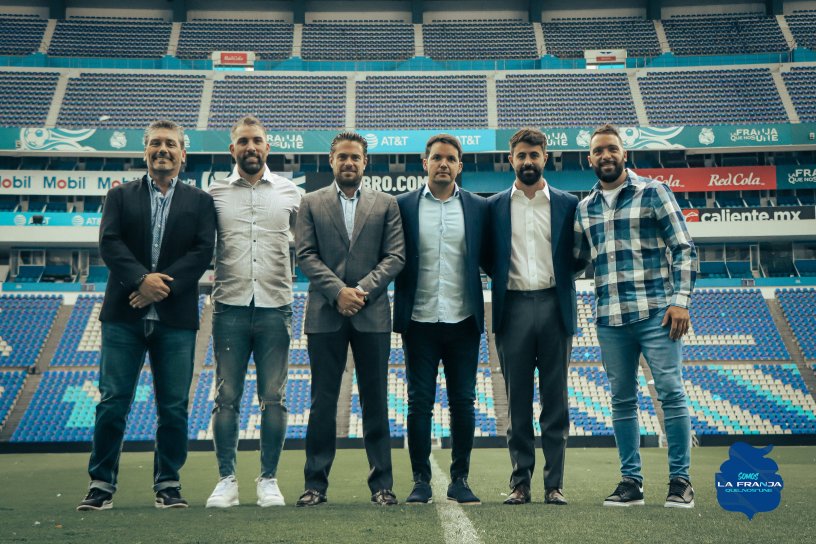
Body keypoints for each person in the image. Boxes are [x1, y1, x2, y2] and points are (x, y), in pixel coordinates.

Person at [77, 120, 216, 511]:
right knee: (112, 403)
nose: (163, 150)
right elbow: (109, 243)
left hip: (175, 318)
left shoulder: (200, 202)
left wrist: (160, 287)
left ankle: (168, 484)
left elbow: (202, 252)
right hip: (123, 316)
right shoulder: (120, 196)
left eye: (170, 144)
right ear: (145, 151)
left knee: (173, 407)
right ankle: (101, 484)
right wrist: (141, 280)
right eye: (155, 143)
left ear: (183, 153)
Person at [574, 124, 697, 508]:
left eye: (612, 148)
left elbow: (683, 247)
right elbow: (577, 261)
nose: (606, 155)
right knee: (622, 400)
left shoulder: (653, 191)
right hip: (610, 318)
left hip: (657, 313)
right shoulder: (585, 208)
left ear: (623, 154)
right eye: (599, 151)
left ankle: (680, 482)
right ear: (590, 159)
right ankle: (631, 482)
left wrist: (680, 301)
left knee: (671, 393)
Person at [294, 131, 405, 506]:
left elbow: (395, 256)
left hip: (372, 314)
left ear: (365, 162)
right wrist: (338, 291)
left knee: (375, 402)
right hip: (325, 313)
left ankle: (382, 486)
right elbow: (305, 255)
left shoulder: (386, 204)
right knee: (322, 403)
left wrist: (360, 291)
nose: (348, 162)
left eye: (355, 157)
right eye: (342, 156)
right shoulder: (310, 202)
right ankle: (315, 485)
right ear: (331, 161)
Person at [205, 116, 301, 508]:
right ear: (233, 149)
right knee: (226, 397)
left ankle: (268, 480)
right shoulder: (214, 194)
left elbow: (309, 245)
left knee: (274, 398)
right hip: (229, 306)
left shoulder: (290, 193)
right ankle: (226, 480)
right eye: (243, 141)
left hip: (276, 307)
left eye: (257, 140)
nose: (251, 147)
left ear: (267, 147)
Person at [393, 134, 488, 505]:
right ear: (425, 163)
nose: (443, 164)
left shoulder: (478, 206)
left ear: (459, 166)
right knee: (419, 403)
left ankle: (460, 479)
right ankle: (421, 481)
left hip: (463, 319)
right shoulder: (403, 205)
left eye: (450, 158)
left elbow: (490, 256)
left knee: (463, 402)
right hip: (419, 319)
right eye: (437, 158)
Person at [486, 128, 579, 506]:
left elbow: (579, 254)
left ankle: (554, 485)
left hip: (555, 307)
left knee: (556, 403)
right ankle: (520, 483)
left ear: (545, 158)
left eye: (534, 155)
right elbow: (486, 256)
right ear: (511, 159)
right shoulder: (493, 206)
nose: (528, 161)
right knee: (518, 404)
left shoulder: (568, 203)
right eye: (521, 155)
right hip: (513, 308)